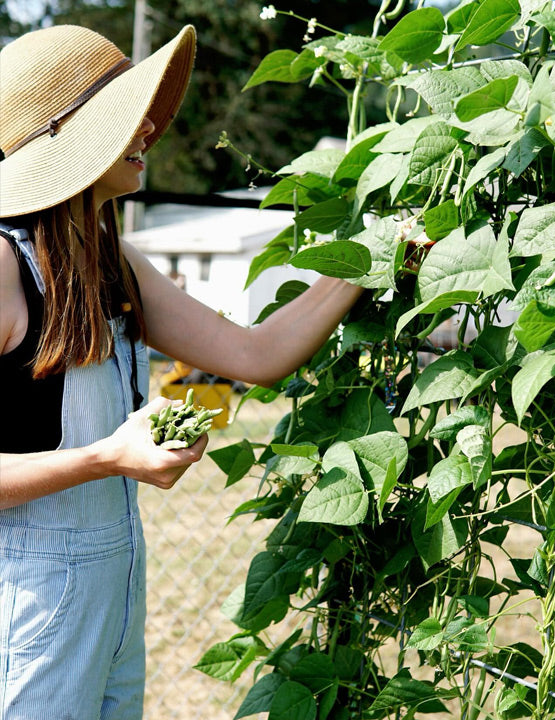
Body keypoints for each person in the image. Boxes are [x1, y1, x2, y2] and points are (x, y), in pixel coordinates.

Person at [0, 23, 363, 719]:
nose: (149, 128)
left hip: (114, 593)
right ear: (68, 137)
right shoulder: (6, 266)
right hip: (27, 601)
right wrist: (108, 457)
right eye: (124, 114)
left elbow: (255, 356)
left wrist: (374, 260)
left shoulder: (113, 261)